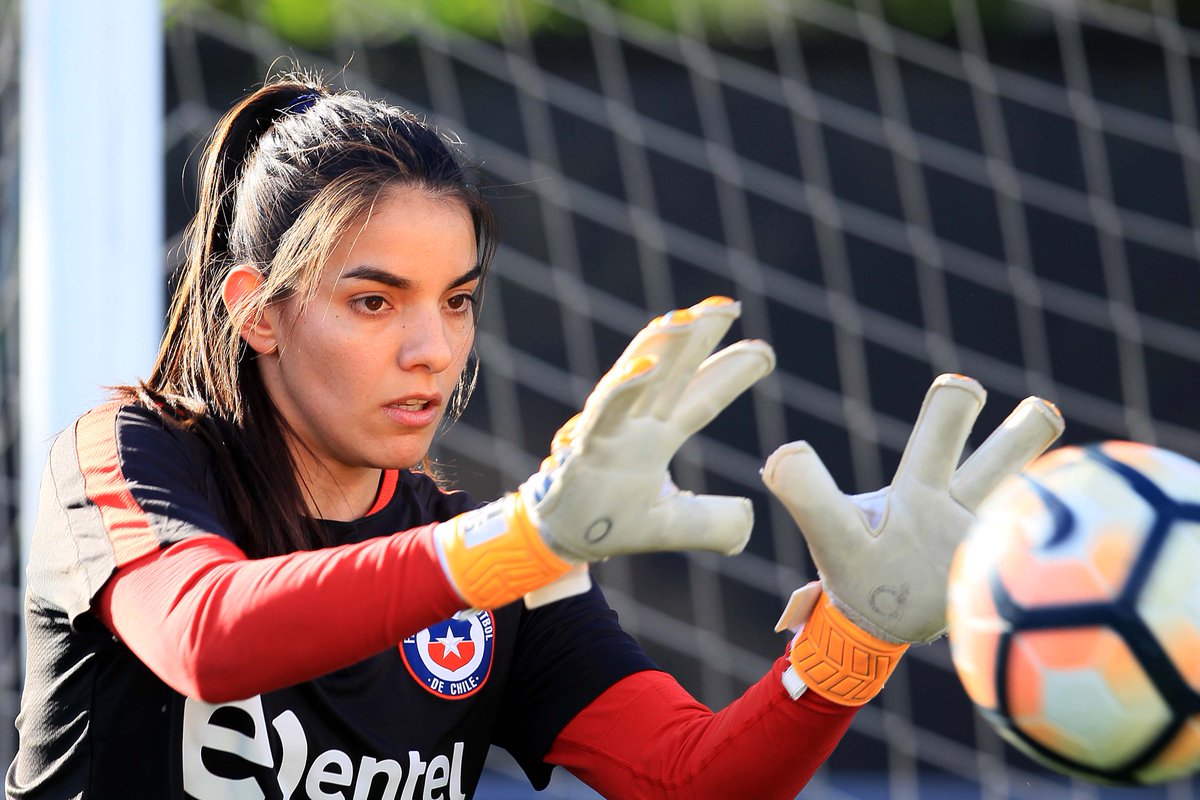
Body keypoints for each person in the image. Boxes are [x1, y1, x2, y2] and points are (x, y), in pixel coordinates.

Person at [6, 72, 1064, 800]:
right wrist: (518, 543)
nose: (432, 348)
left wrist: (851, 648)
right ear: (259, 309)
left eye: (457, 300)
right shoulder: (124, 455)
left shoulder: (505, 560)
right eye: (376, 302)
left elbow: (690, 776)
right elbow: (207, 639)